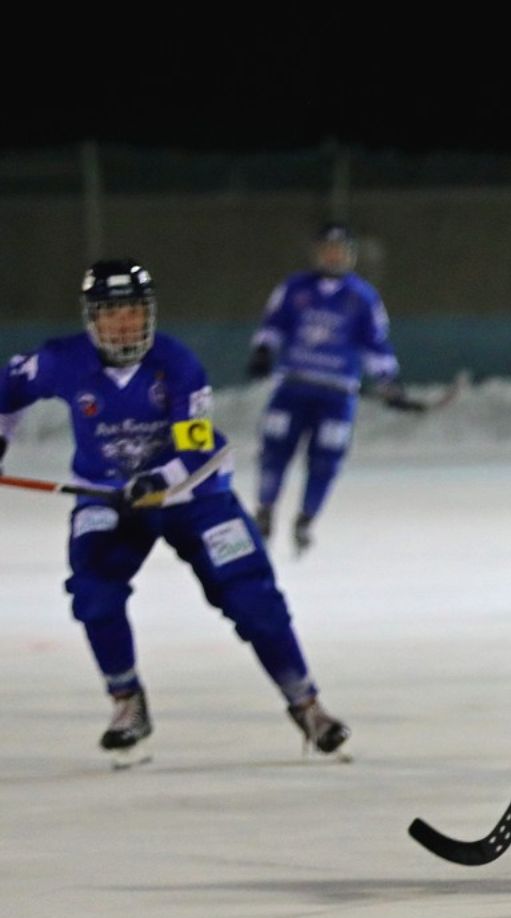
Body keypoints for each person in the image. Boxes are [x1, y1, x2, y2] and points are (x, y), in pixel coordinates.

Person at [0, 260, 349, 764]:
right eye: (112, 314)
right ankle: (126, 702)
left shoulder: (177, 365)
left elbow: (197, 448)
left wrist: (155, 481)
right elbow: (7, 390)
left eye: (134, 312)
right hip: (107, 498)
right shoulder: (61, 360)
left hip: (193, 496)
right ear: (92, 319)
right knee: (93, 592)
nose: (125, 325)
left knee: (254, 599)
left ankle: (307, 705)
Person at [246, 222, 422, 555]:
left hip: (337, 395)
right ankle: (265, 509)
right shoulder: (295, 288)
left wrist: (388, 381)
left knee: (326, 459)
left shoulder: (362, 297)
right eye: (327, 249)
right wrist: (263, 350)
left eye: (339, 250)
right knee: (274, 451)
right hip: (293, 388)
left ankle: (306, 519)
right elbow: (273, 325)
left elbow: (376, 345)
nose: (332, 255)